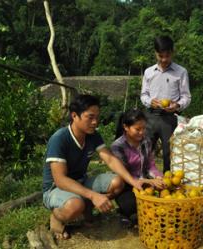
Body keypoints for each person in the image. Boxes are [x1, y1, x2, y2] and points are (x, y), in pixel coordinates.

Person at [42, 94, 143, 239]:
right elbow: (60, 180)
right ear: (75, 116)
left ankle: (86, 208)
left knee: (118, 182)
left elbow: (110, 159)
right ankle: (57, 218)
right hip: (55, 189)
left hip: (81, 181)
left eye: (97, 117)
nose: (95, 122)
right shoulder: (60, 139)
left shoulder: (93, 135)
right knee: (74, 205)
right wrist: (93, 195)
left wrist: (133, 181)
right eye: (90, 117)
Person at [140, 35, 191, 172]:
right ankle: (143, 180)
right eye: (160, 56)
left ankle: (169, 184)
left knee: (170, 153)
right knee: (145, 149)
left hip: (171, 117)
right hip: (150, 116)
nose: (163, 60)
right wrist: (151, 101)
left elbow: (186, 97)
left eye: (167, 56)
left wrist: (178, 105)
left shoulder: (181, 72)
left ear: (172, 53)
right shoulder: (149, 72)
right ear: (155, 53)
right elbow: (144, 95)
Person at [111, 109, 164, 227]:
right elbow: (124, 174)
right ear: (126, 127)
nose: (142, 132)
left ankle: (134, 216)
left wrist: (159, 177)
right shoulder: (118, 146)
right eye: (137, 129)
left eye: (144, 128)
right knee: (132, 205)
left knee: (162, 199)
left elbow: (151, 165)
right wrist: (148, 181)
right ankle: (124, 213)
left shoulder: (146, 141)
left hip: (144, 183)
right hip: (126, 185)